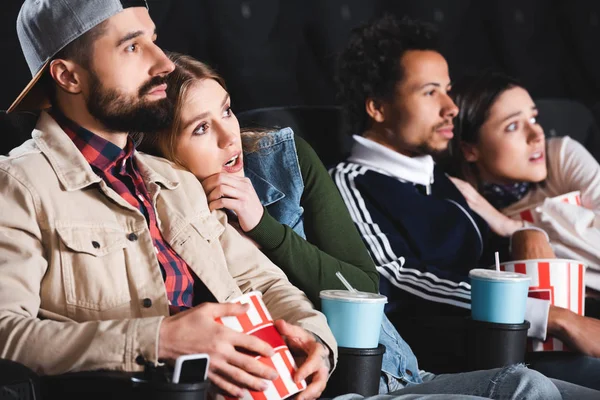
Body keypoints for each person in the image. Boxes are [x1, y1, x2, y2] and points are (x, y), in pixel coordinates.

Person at [146, 52, 600, 399]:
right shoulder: (162, 220)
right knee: (527, 387)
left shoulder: (280, 161)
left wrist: (264, 225)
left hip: (402, 367)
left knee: (526, 383)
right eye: (201, 129)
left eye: (227, 111)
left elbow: (364, 285)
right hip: (343, 384)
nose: (230, 137)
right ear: (163, 150)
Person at [0, 2, 335, 399]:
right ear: (68, 76)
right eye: (131, 47)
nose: (164, 64)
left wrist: (315, 339)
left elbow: (261, 280)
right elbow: (7, 334)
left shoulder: (175, 181)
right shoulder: (18, 186)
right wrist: (159, 339)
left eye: (154, 41)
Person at [330, 14, 600, 389]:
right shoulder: (350, 183)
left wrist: (524, 234)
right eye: (430, 92)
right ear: (377, 107)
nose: (451, 107)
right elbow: (395, 278)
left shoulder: (440, 180)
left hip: (518, 352)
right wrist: (553, 317)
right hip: (455, 371)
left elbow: (488, 256)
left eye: (448, 89)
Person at [447, 70, 600, 293]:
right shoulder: (464, 205)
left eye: (533, 118)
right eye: (512, 126)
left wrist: (510, 227)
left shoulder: (561, 155)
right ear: (470, 149)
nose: (537, 134)